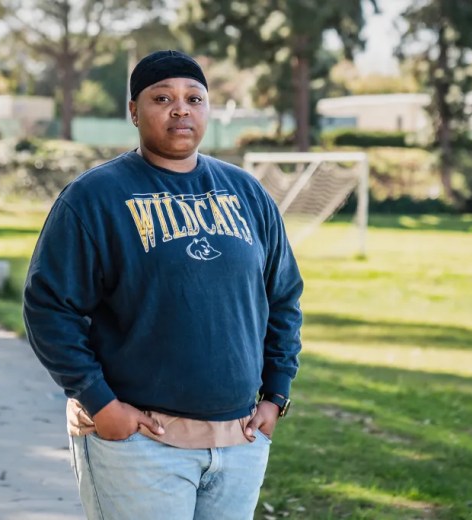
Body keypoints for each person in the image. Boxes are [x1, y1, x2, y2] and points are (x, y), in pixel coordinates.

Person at [23, 49, 303, 520]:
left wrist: (276, 393)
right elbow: (49, 307)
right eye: (162, 98)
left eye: (194, 98)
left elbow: (283, 296)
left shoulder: (247, 192)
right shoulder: (96, 197)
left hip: (239, 441)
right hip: (139, 443)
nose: (181, 109)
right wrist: (100, 402)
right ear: (133, 111)